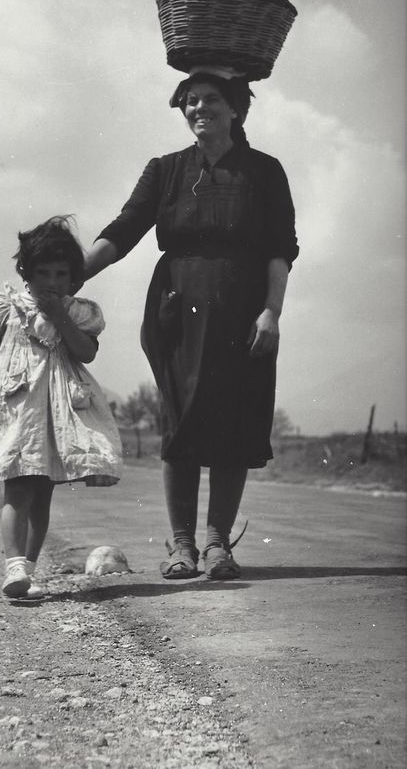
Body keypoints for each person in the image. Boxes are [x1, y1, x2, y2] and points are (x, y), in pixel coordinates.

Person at [84, 70, 298, 580]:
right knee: (181, 423)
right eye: (191, 101)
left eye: (211, 100)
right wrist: (72, 277)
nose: (199, 108)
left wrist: (272, 311)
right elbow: (123, 231)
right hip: (177, 311)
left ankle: (218, 545)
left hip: (245, 311)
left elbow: (281, 250)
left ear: (236, 108)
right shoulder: (166, 170)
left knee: (237, 420)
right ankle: (182, 547)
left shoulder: (265, 172)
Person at [0, 216, 123, 598]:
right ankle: (13, 567)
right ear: (26, 273)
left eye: (60, 274)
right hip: (18, 406)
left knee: (42, 493)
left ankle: (28, 572)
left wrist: (60, 318)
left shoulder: (77, 311)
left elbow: (86, 352)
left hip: (56, 413)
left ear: (72, 277)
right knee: (17, 488)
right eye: (42, 273)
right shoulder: (10, 308)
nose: (51, 282)